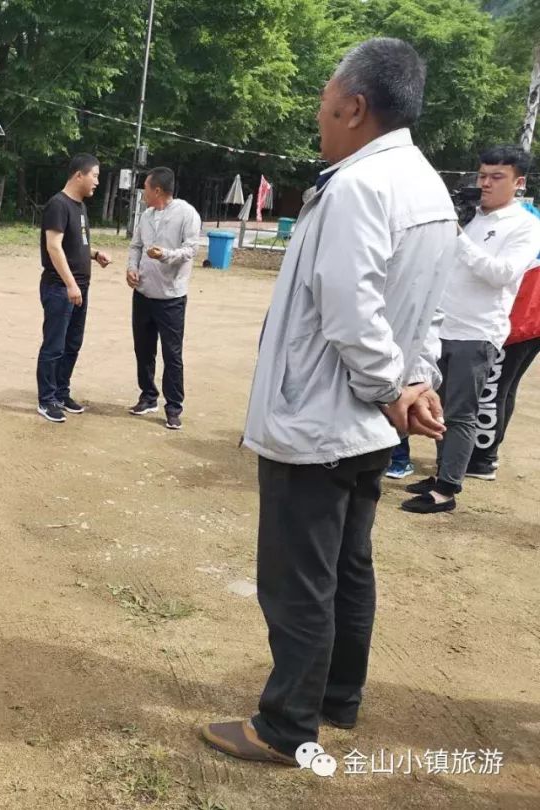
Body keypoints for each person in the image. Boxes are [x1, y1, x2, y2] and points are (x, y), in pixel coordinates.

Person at [201, 38, 455, 765]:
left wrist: (388, 387)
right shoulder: (429, 188)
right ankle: (337, 698)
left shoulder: (358, 188)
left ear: (354, 105)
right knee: (348, 567)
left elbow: (350, 312)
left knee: (299, 583)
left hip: (319, 420)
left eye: (324, 97)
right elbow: (428, 312)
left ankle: (285, 727)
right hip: (371, 424)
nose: (318, 111)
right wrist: (414, 383)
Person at [402, 146, 540, 513]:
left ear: (518, 182)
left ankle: (447, 490)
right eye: (482, 175)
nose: (486, 184)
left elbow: (503, 274)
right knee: (438, 407)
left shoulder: (525, 225)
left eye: (497, 177)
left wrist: (459, 236)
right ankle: (441, 473)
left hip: (477, 332)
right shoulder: (471, 216)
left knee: (462, 412)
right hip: (441, 326)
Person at [35, 154, 112, 423]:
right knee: (54, 344)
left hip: (80, 287)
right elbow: (54, 247)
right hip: (60, 288)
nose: (97, 182)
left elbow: (74, 245)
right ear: (79, 175)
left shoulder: (79, 206)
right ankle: (46, 400)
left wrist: (95, 254)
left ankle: (61, 392)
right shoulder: (58, 205)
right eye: (95, 176)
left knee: (72, 344)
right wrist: (70, 284)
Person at [125, 166, 201, 430]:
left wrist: (166, 255)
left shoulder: (186, 213)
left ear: (157, 190)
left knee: (172, 353)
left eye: (145, 187)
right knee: (143, 349)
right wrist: (132, 268)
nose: (143, 192)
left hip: (171, 297)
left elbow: (192, 249)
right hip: (144, 293)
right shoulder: (145, 216)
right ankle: (148, 396)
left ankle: (173, 406)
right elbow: (136, 246)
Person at [468, 249, 540, 479]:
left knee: (494, 390)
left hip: (519, 324)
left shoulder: (524, 225)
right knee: (505, 389)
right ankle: (488, 453)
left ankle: (482, 460)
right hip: (530, 322)